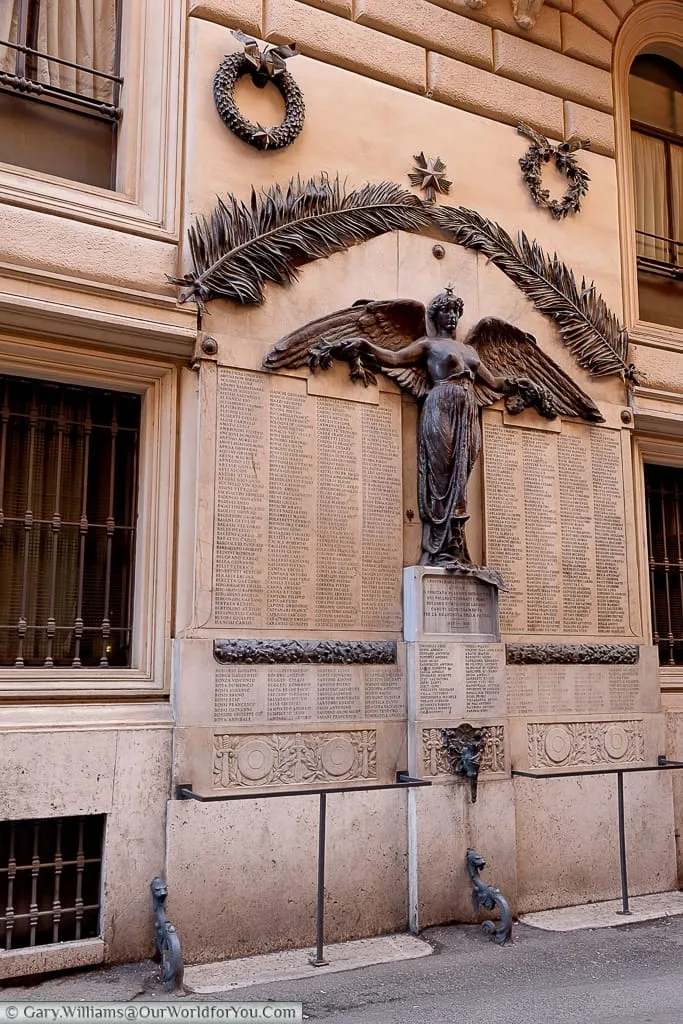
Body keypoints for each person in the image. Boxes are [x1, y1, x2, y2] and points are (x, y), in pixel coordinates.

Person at [340, 288, 524, 568]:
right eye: (446, 311)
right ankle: (438, 547)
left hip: (467, 410)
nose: (452, 317)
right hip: (441, 404)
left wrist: (523, 384)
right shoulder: (428, 344)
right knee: (441, 473)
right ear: (436, 315)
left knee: (461, 474)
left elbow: (495, 383)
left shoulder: (470, 350)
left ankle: (457, 544)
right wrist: (366, 346)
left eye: (455, 312)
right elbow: (393, 358)